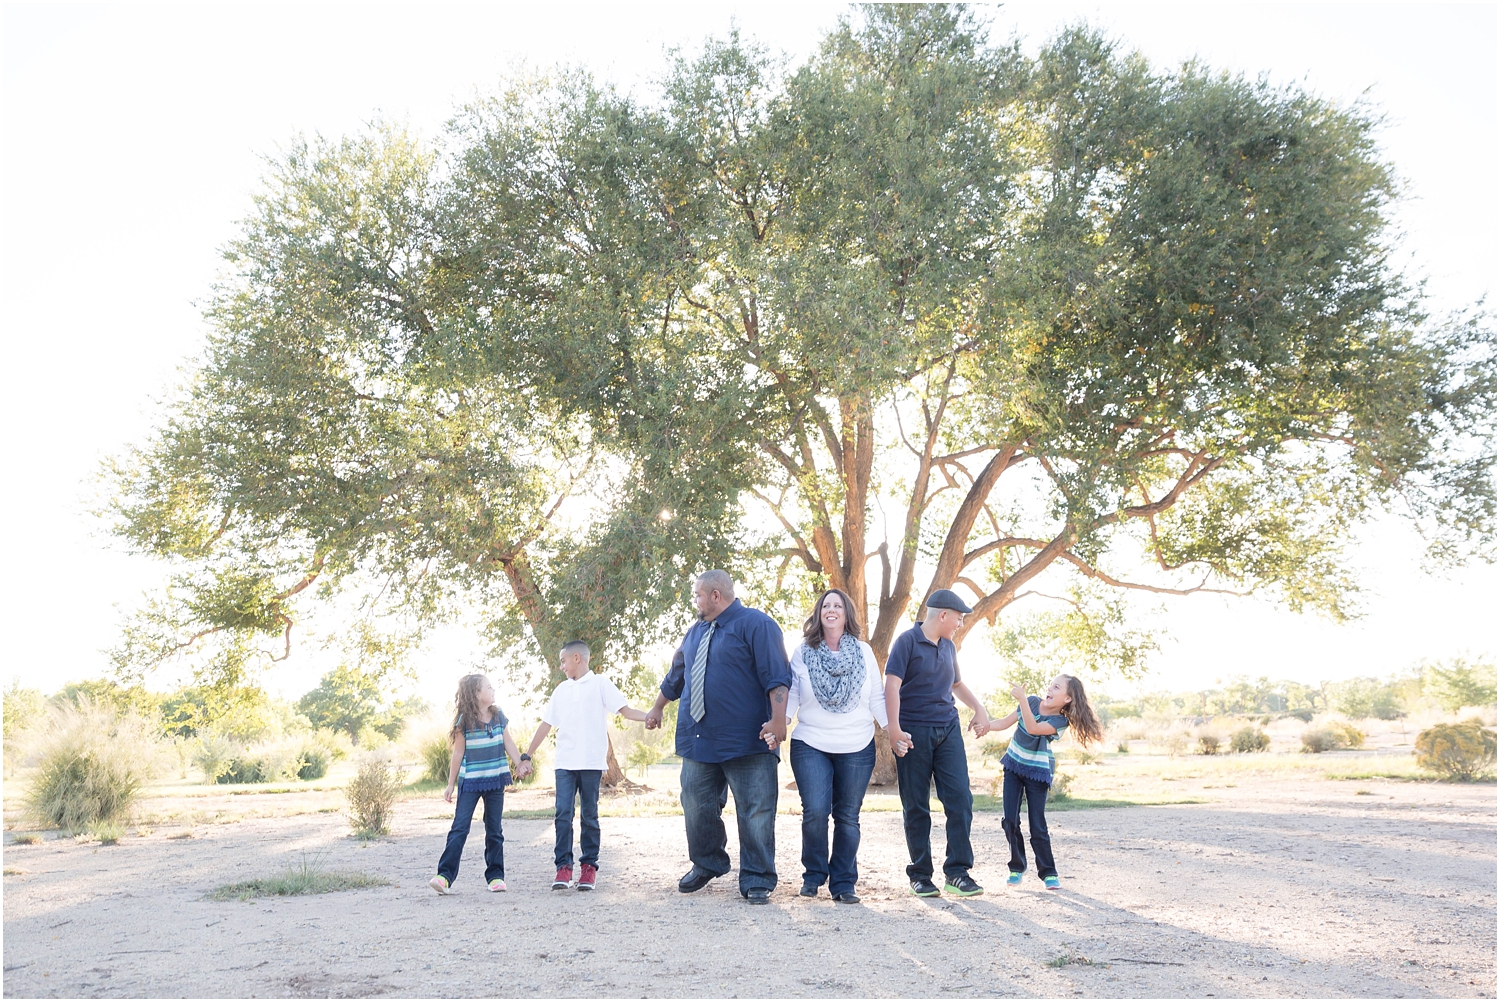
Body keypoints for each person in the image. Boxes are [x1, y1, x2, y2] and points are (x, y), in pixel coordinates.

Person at [645, 570, 792, 904]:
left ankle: (757, 877)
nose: (694, 601)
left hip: (747, 740)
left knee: (755, 810)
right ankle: (708, 862)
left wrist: (779, 721)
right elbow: (676, 675)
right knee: (695, 804)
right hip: (699, 739)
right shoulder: (695, 632)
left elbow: (777, 676)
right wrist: (657, 708)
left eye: (697, 595)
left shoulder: (757, 625)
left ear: (715, 595)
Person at [783, 588, 899, 905]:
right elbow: (792, 693)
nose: (831, 609)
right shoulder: (802, 651)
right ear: (819, 613)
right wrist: (781, 723)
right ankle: (814, 875)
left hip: (857, 744)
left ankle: (844, 883)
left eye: (837, 605)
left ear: (846, 614)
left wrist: (893, 730)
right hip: (810, 742)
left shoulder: (863, 652)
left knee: (847, 817)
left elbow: (877, 697)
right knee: (816, 812)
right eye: (826, 605)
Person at [884, 588, 992, 898]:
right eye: (958, 618)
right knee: (917, 805)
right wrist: (894, 730)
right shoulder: (906, 642)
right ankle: (920, 875)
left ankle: (957, 872)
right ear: (942, 615)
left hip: (948, 729)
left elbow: (956, 683)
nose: (960, 623)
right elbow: (892, 686)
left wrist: (979, 708)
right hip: (914, 733)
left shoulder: (949, 646)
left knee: (960, 800)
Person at [523, 639, 652, 892]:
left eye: (563, 661)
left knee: (589, 815)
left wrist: (650, 716)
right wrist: (527, 755)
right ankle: (563, 867)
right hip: (565, 763)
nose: (561, 666)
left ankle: (589, 867)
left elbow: (625, 711)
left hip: (591, 763)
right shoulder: (561, 690)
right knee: (562, 813)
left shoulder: (600, 684)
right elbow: (546, 724)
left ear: (577, 659)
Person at [982, 674, 1103, 889]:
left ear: (1067, 698)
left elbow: (1033, 728)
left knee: (1037, 824)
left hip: (1037, 772)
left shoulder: (1060, 721)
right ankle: (1016, 867)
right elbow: (1005, 722)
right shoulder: (1031, 702)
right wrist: (987, 726)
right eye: (1050, 685)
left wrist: (1021, 700)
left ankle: (1048, 872)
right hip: (1013, 765)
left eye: (1057, 687)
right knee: (1009, 820)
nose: (1050, 689)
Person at [431, 673, 529, 894]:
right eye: (489, 687)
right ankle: (444, 876)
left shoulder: (498, 715)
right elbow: (457, 753)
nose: (493, 690)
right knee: (460, 828)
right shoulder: (464, 721)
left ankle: (495, 876)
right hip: (471, 783)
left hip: (496, 780)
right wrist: (450, 784)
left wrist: (519, 764)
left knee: (494, 829)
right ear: (476, 694)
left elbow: (509, 743)